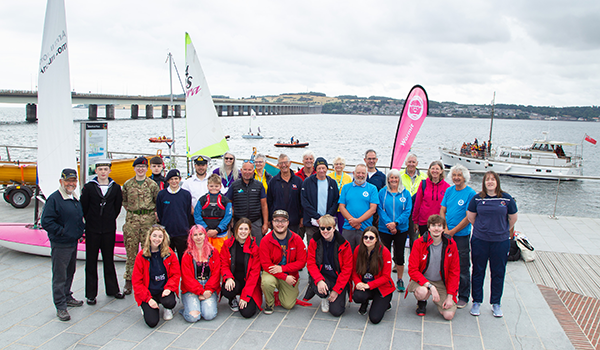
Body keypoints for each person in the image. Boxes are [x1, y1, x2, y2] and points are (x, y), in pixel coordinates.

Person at [467, 171, 518, 318]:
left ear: (497, 182)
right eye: (487, 180)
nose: (490, 182)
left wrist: (501, 230)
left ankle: (496, 303)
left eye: (493, 180)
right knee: (478, 271)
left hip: (500, 242)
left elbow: (513, 218)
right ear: (484, 182)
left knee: (498, 272)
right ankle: (476, 301)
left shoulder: (506, 199)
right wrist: (483, 229)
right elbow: (471, 217)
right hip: (480, 240)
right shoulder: (477, 198)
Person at [41, 168, 86, 321]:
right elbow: (46, 221)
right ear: (61, 181)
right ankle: (60, 306)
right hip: (61, 244)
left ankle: (67, 296)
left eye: (73, 181)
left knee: (70, 271)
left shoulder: (73, 197)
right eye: (68, 181)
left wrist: (80, 231)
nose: (71, 183)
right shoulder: (54, 199)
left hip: (72, 242)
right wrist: (62, 232)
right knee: (60, 275)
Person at [80, 159, 124, 306]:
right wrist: (91, 220)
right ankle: (91, 294)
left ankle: (112, 289)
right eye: (100, 169)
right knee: (91, 261)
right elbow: (84, 207)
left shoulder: (115, 187)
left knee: (108, 260)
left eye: (106, 169)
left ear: (109, 171)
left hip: (108, 229)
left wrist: (109, 218)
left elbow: (117, 207)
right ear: (96, 171)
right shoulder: (89, 187)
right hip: (92, 230)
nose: (103, 172)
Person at [407, 215, 459, 320]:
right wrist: (430, 286)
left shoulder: (451, 244)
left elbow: (454, 272)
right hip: (423, 280)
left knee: (448, 315)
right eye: (433, 225)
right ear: (428, 228)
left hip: (441, 281)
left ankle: (439, 298)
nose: (436, 228)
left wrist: (450, 296)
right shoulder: (419, 243)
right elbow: (412, 269)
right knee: (422, 292)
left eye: (439, 226)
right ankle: (422, 302)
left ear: (443, 228)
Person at [440, 164, 477, 309]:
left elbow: (469, 217)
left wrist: (453, 231)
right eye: (454, 175)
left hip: (461, 235)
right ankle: (449, 292)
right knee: (446, 263)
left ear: (464, 177)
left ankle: (463, 295)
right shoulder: (449, 191)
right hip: (446, 233)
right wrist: (446, 229)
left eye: (459, 175)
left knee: (462, 266)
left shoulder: (470, 193)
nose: (456, 178)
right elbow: (443, 209)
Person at [121, 156, 159, 295]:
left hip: (148, 221)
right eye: (138, 167)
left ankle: (146, 279)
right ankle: (129, 280)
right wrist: (134, 213)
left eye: (143, 167)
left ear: (147, 169)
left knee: (147, 251)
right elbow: (124, 201)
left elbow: (157, 201)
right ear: (134, 168)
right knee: (131, 252)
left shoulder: (152, 185)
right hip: (132, 220)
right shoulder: (128, 184)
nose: (141, 169)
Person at [132, 225, 180, 328]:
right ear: (149, 237)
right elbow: (136, 282)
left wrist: (169, 288)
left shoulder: (169, 253)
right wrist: (148, 298)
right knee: (152, 322)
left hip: (163, 290)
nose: (157, 239)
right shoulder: (141, 256)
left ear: (164, 239)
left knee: (169, 302)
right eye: (154, 236)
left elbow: (176, 274)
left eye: (160, 236)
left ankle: (167, 308)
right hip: (148, 292)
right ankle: (146, 306)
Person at [260, 210, 307, 314]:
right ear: (272, 222)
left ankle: (281, 293)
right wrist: (284, 276)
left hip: (290, 274)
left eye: (283, 221)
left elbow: (302, 262)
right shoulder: (265, 240)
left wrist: (283, 269)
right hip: (272, 273)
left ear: (288, 222)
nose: (280, 224)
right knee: (267, 282)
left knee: (288, 305)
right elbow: (266, 265)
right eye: (276, 221)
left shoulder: (297, 239)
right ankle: (270, 303)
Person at [305, 214, 352, 316]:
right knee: (320, 288)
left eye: (328, 228)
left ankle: (337, 294)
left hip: (337, 278)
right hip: (323, 276)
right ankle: (324, 297)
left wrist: (336, 290)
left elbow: (347, 269)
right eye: (322, 228)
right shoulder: (314, 241)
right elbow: (311, 263)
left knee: (336, 312)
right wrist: (319, 280)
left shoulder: (344, 244)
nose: (325, 231)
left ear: (334, 228)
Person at [377, 169, 412, 293]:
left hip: (401, 229)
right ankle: (385, 278)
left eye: (396, 178)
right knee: (384, 253)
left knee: (399, 254)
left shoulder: (405, 193)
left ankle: (400, 278)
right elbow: (380, 209)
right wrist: (389, 224)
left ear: (399, 179)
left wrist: (396, 223)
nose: (393, 180)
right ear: (388, 179)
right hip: (384, 228)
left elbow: (407, 211)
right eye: (391, 177)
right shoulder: (382, 192)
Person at [352, 227, 394, 324]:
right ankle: (365, 302)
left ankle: (384, 302)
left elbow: (386, 277)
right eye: (365, 237)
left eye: (371, 238)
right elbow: (354, 270)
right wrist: (358, 282)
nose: (368, 240)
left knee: (374, 319)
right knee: (357, 296)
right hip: (365, 284)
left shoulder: (384, 252)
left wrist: (369, 285)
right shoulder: (358, 250)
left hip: (381, 287)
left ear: (376, 239)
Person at [221, 218, 262, 318]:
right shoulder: (228, 244)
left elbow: (254, 274)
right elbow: (224, 264)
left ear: (249, 231)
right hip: (234, 280)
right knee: (227, 289)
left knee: (247, 313)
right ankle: (232, 298)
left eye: (245, 229)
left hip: (248, 283)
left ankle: (245, 298)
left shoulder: (254, 248)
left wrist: (245, 296)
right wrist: (228, 278)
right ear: (236, 230)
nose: (243, 232)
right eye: (240, 229)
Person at [180, 225, 220, 322]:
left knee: (209, 315)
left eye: (200, 234)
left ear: (205, 235)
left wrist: (208, 291)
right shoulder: (187, 255)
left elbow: (216, 274)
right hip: (192, 288)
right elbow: (187, 279)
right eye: (195, 235)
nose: (198, 237)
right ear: (191, 237)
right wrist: (201, 292)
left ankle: (201, 304)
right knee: (193, 317)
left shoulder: (213, 252)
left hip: (209, 286)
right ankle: (186, 309)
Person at [226, 160, 269, 245]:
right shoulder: (234, 186)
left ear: (253, 171)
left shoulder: (259, 186)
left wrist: (265, 223)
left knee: (257, 248)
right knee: (238, 248)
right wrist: (231, 220)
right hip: (238, 222)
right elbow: (228, 204)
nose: (247, 172)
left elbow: (264, 205)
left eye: (250, 170)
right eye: (245, 169)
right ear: (241, 170)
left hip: (255, 222)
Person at [339, 164, 379, 250]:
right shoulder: (346, 188)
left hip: (365, 228)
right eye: (358, 173)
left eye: (363, 173)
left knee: (363, 255)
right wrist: (352, 221)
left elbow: (373, 209)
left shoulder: (372, 189)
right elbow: (341, 207)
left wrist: (358, 221)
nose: (360, 175)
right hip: (348, 227)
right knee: (347, 254)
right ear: (353, 173)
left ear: (366, 175)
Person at [156, 169, 192, 263]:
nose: (174, 181)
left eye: (176, 179)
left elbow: (187, 212)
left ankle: (184, 277)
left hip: (182, 231)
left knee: (183, 258)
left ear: (179, 179)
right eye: (171, 179)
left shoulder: (186, 194)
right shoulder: (162, 194)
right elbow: (160, 212)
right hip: (167, 232)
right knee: (167, 258)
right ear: (168, 181)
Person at [300, 157, 339, 243]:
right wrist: (317, 217)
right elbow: (304, 201)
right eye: (319, 168)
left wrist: (326, 217)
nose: (321, 170)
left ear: (327, 169)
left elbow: (335, 201)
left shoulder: (332, 183)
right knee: (312, 247)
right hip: (312, 222)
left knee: (327, 247)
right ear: (315, 169)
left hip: (328, 223)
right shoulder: (307, 182)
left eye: (323, 168)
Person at [194, 174, 233, 252]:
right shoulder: (202, 199)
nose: (214, 188)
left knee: (220, 256)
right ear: (207, 186)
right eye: (211, 186)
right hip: (205, 234)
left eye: (216, 186)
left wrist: (217, 230)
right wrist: (206, 229)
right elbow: (197, 215)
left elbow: (228, 216)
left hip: (220, 234)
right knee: (205, 255)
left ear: (220, 186)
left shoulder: (225, 200)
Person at [267, 154, 304, 233]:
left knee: (293, 244)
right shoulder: (273, 182)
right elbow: (269, 202)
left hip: (294, 221)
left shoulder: (298, 181)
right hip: (277, 221)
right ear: (278, 165)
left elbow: (302, 201)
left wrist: (302, 217)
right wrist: (269, 220)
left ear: (290, 163)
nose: (283, 165)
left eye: (285, 162)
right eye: (281, 163)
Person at [412, 160, 450, 237]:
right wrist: (415, 221)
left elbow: (448, 207)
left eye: (437, 169)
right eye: (433, 169)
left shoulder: (447, 187)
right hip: (424, 221)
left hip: (439, 223)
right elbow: (417, 203)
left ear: (441, 171)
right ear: (429, 170)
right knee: (425, 246)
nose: (435, 171)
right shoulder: (423, 184)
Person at [400, 154, 427, 249]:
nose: (411, 164)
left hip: (417, 212)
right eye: (409, 162)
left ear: (417, 163)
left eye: (413, 162)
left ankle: (414, 261)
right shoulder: (399, 175)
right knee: (400, 238)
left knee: (415, 239)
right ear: (406, 163)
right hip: (402, 211)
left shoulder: (424, 177)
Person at [328, 156, 353, 232]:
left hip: (343, 207)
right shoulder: (329, 176)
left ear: (344, 166)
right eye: (336, 164)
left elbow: (350, 192)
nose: (338, 166)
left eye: (340, 164)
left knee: (342, 229)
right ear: (333, 165)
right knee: (330, 228)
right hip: (332, 206)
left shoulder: (348, 177)